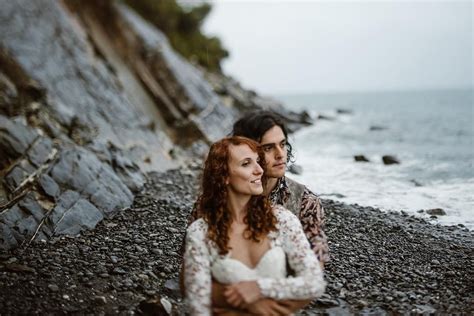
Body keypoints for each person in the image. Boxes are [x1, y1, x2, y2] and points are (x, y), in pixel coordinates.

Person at [183, 136, 326, 315]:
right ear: (224, 176)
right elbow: (198, 306)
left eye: (258, 162)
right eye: (246, 164)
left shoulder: (282, 219)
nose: (259, 170)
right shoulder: (200, 232)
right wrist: (247, 306)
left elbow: (315, 282)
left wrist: (258, 288)